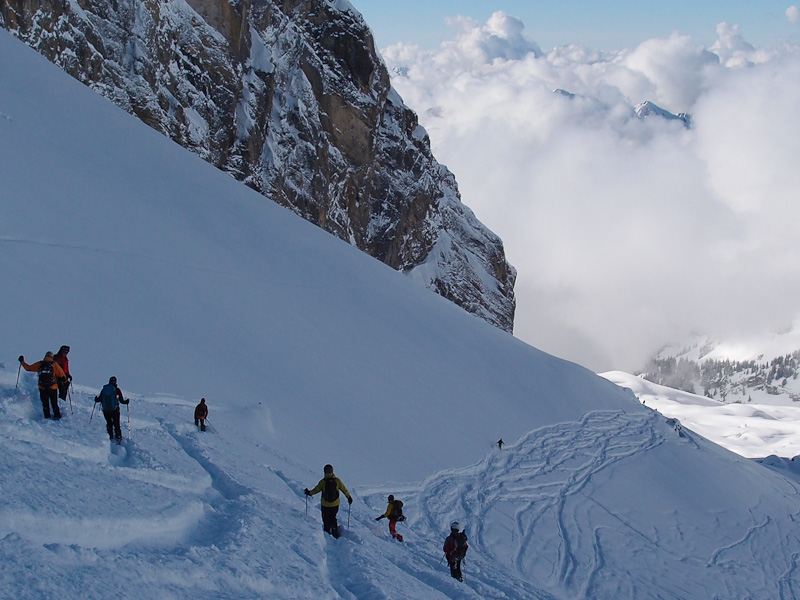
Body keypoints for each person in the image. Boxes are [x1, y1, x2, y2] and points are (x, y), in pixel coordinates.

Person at [304, 464, 353, 538]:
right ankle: (335, 531)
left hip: (325, 504)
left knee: (326, 518)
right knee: (333, 517)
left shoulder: (323, 482)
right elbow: (344, 489)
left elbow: (316, 490)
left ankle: (326, 533)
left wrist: (309, 493)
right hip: (335, 504)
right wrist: (349, 497)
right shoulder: (337, 481)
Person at [19, 352, 66, 420]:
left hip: (42, 387)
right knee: (54, 403)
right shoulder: (54, 364)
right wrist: (64, 380)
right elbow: (62, 375)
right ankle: (57, 416)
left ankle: (47, 416)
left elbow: (28, 368)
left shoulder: (40, 364)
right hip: (52, 387)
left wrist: (22, 362)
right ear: (52, 357)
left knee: (45, 403)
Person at [94, 376, 129, 442]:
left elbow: (98, 399)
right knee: (116, 424)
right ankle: (118, 437)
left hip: (105, 409)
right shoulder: (116, 389)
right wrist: (126, 402)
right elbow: (122, 401)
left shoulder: (104, 389)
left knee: (109, 423)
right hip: (115, 409)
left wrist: (96, 399)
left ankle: (110, 436)